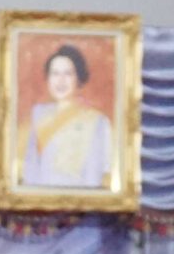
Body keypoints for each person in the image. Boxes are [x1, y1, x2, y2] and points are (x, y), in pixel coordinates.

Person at [22, 43, 113, 190]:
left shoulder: (98, 122)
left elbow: (94, 175)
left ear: (78, 78)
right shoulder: (37, 114)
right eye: (55, 73)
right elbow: (30, 168)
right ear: (48, 78)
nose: (60, 81)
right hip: (39, 198)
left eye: (68, 74)